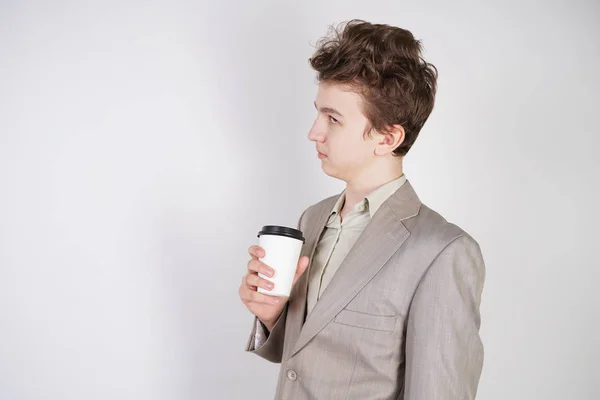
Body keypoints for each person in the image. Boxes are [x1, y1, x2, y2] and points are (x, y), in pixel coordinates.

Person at [238, 19, 486, 400]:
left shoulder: (442, 252)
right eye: (318, 112)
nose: (313, 131)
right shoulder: (313, 219)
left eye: (333, 118)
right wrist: (271, 314)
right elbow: (310, 354)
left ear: (388, 137)